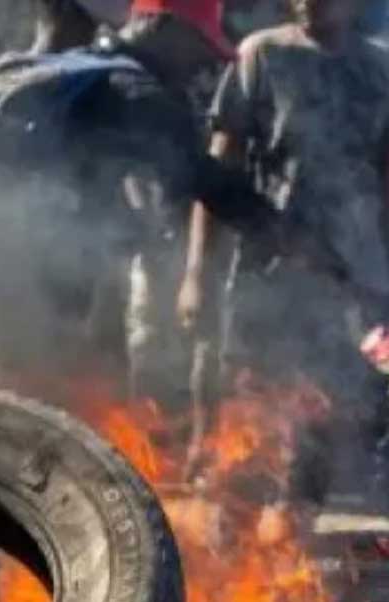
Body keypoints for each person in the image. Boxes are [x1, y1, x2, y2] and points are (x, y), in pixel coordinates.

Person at [0, 0, 282, 403]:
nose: (202, 67)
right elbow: (207, 182)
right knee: (37, 419)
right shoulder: (137, 93)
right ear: (163, 26)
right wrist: (287, 233)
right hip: (39, 290)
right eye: (199, 49)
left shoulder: (69, 69)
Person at [179, 0, 389, 515]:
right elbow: (219, 172)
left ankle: (292, 536)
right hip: (271, 266)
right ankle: (230, 537)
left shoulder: (380, 69)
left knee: (334, 406)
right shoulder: (263, 55)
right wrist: (195, 276)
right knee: (250, 400)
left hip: (354, 273)